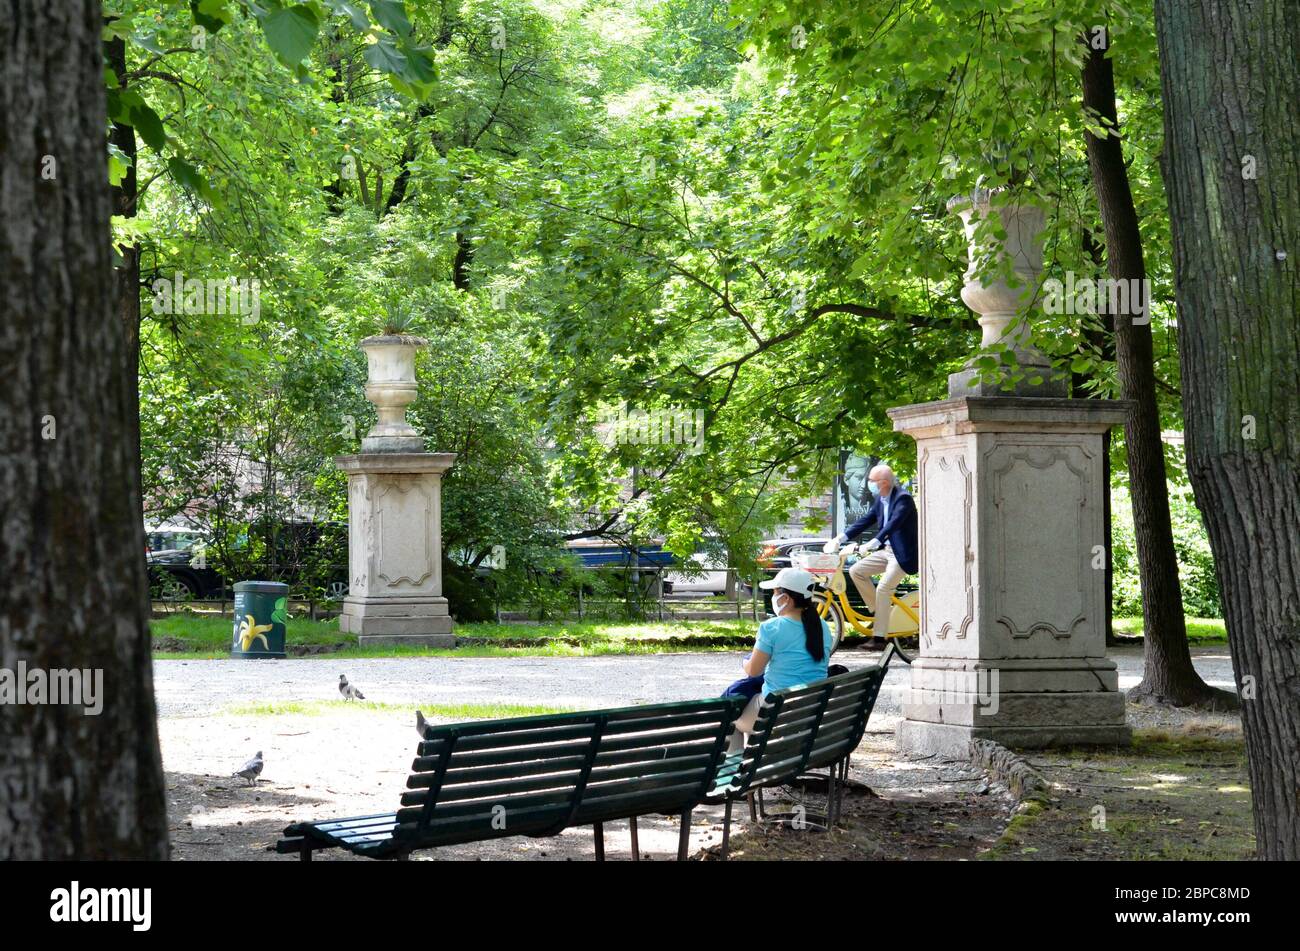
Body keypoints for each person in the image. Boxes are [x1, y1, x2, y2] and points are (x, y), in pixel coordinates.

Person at [725, 566, 834, 754]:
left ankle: (732, 774)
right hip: (811, 708)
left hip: (777, 710)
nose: (773, 597)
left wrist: (745, 661)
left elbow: (753, 671)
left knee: (728, 717)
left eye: (775, 592)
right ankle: (752, 769)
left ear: (786, 598)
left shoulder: (772, 628)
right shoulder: (822, 626)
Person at [823, 463, 918, 650]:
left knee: (883, 589)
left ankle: (879, 639)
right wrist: (841, 538)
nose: (868, 483)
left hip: (902, 556)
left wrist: (873, 543)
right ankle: (880, 615)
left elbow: (893, 524)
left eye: (871, 480)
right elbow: (865, 520)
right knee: (857, 571)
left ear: (883, 483)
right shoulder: (881, 499)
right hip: (887, 552)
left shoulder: (903, 499)